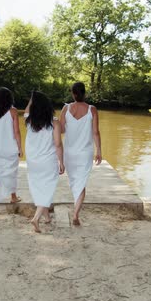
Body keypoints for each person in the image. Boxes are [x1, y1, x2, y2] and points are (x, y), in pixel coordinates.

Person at [59, 82, 102, 226]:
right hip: (85, 153)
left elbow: (61, 129)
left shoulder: (66, 108)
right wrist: (99, 151)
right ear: (84, 93)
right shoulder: (92, 109)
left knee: (74, 182)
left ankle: (76, 212)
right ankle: (76, 214)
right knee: (81, 182)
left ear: (73, 93)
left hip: (69, 152)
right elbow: (95, 132)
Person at [24, 91, 65, 233]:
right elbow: (58, 144)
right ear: (48, 106)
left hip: (32, 161)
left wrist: (32, 98)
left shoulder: (29, 121)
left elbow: (27, 109)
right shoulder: (54, 123)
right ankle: (36, 218)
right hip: (47, 160)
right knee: (47, 188)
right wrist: (61, 162)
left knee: (39, 187)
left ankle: (46, 217)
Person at [0, 87, 22, 220]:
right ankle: (13, 197)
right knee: (11, 173)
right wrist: (20, 148)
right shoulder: (12, 111)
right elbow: (17, 132)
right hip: (10, 149)